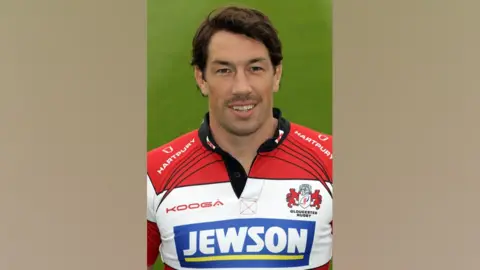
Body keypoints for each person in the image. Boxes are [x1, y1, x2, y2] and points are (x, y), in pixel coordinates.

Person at [147, 5, 333, 270]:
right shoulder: (153, 176)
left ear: (276, 75)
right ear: (201, 78)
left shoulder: (332, 163)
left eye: (255, 68)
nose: (241, 88)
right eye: (224, 70)